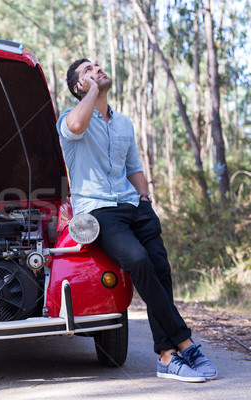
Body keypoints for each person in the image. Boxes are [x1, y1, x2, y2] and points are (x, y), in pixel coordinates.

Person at [56, 58, 217, 382]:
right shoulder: (70, 120)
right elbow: (76, 126)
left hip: (134, 204)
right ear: (78, 87)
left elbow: (134, 166)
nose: (98, 69)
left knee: (160, 267)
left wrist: (145, 200)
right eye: (88, 70)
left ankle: (167, 356)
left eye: (98, 65)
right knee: (138, 260)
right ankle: (185, 342)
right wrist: (92, 92)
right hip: (98, 210)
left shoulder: (124, 123)